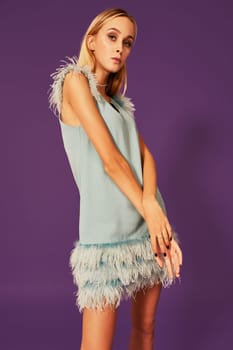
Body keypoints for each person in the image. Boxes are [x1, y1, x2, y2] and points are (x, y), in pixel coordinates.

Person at [48, 7, 183, 350]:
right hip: (105, 235)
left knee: (146, 329)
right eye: (112, 37)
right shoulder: (74, 83)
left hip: (147, 226)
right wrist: (151, 212)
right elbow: (111, 161)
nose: (120, 47)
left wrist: (153, 209)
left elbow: (145, 157)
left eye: (128, 42)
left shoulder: (120, 104)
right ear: (91, 41)